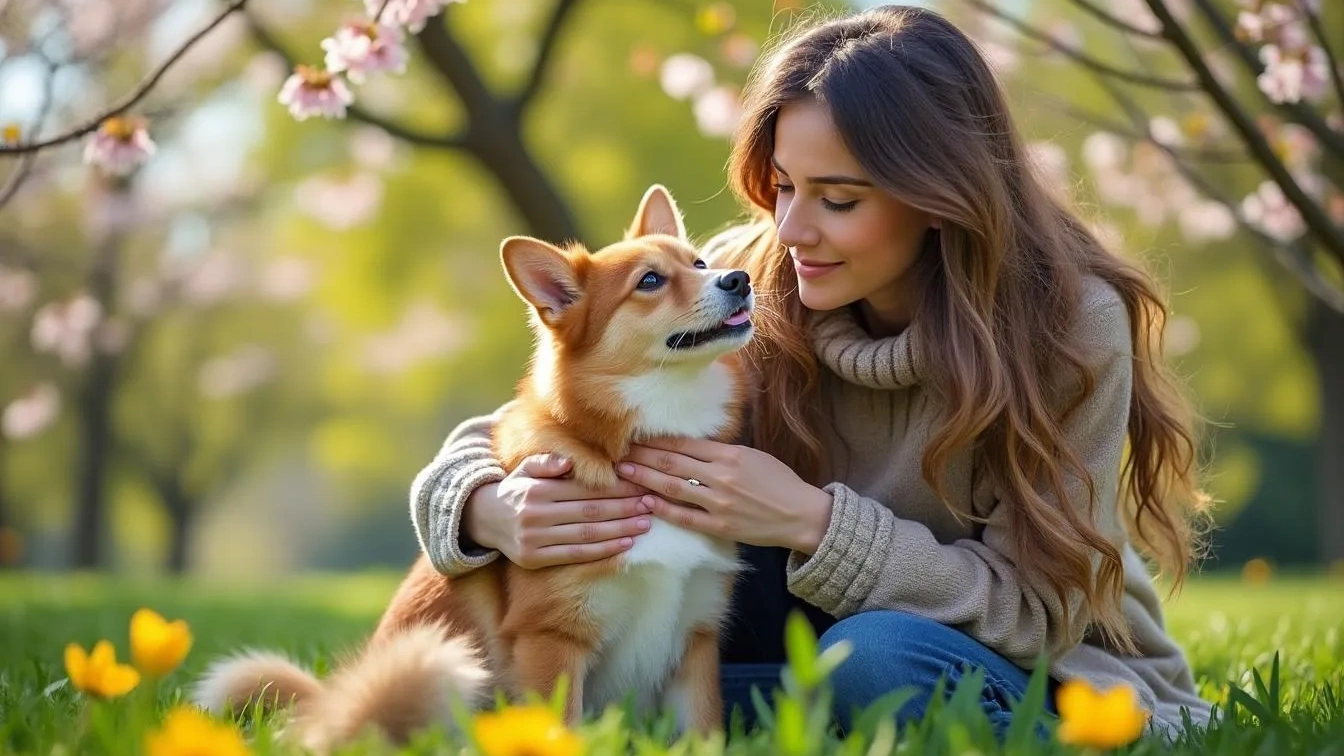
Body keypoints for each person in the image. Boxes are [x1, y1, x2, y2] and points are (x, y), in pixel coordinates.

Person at [408, 4, 1215, 740]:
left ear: (939, 195)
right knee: (636, 631)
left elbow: (1038, 616)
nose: (792, 229)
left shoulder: (1070, 326)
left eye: (838, 199)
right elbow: (536, 423)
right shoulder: (742, 284)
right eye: (784, 186)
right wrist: (486, 508)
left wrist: (814, 525)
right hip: (805, 639)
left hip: (1038, 672)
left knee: (874, 661)